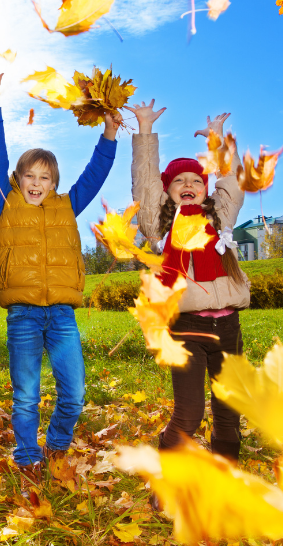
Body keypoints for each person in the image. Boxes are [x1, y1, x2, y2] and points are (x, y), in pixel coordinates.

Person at [0, 65, 118, 487]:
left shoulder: (66, 206)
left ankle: (56, 447)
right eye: (30, 176)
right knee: (25, 396)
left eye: (45, 177)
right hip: (22, 315)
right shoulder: (3, 202)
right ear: (18, 179)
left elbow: (94, 176)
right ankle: (27, 459)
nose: (37, 183)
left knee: (74, 395)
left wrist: (110, 137)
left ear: (55, 182)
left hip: (61, 314)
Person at [128, 103, 249, 470]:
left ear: (205, 189)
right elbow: (146, 184)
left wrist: (219, 146)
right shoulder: (160, 226)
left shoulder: (220, 218)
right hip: (187, 330)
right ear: (169, 190)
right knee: (191, 413)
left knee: (229, 410)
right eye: (179, 180)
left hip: (228, 328)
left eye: (196, 180)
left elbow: (233, 182)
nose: (189, 185)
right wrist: (146, 132)